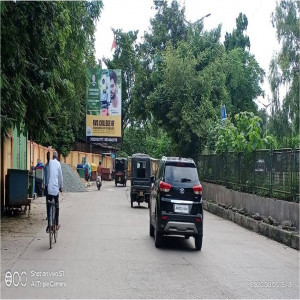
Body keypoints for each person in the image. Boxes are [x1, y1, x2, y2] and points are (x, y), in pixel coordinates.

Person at [46, 151, 63, 232]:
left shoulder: (49, 163)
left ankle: (49, 225)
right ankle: (56, 224)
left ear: (52, 157)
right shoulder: (58, 164)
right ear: (57, 157)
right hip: (56, 189)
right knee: (57, 206)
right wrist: (61, 187)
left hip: (49, 189)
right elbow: (60, 178)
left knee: (49, 206)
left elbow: (48, 176)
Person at [43, 151, 50, 220]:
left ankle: (50, 215)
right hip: (49, 186)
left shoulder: (46, 166)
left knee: (48, 201)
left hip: (48, 186)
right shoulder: (46, 166)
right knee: (49, 201)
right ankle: (49, 215)